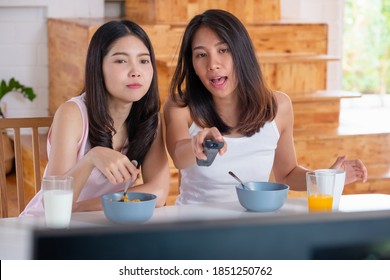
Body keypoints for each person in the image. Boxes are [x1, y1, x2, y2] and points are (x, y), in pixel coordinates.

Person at [163, 9, 368, 205]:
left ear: (241, 53)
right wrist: (195, 144)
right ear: (192, 64)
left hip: (256, 224)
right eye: (201, 55)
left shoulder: (278, 107)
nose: (213, 64)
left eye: (223, 50)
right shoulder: (180, 106)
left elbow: (286, 174)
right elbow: (179, 156)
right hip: (197, 229)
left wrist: (325, 177)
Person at [21, 19, 170, 216]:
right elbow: (53, 201)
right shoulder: (72, 113)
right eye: (121, 61)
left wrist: (82, 208)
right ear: (98, 67)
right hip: (50, 226)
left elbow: (158, 193)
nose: (136, 72)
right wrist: (91, 158)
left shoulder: (150, 120)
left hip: (101, 223)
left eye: (143, 60)